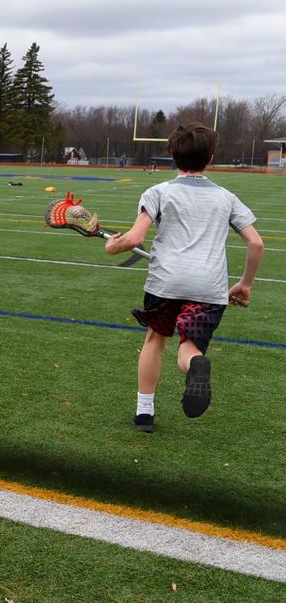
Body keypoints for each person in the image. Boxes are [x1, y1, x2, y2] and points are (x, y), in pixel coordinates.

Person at [105, 124, 263, 433]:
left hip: (166, 283)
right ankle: (194, 366)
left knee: (155, 339)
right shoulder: (226, 197)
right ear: (211, 157)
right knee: (190, 347)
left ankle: (145, 413)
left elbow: (134, 238)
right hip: (209, 287)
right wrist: (245, 284)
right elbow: (256, 243)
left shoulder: (158, 192)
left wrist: (113, 246)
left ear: (171, 155)